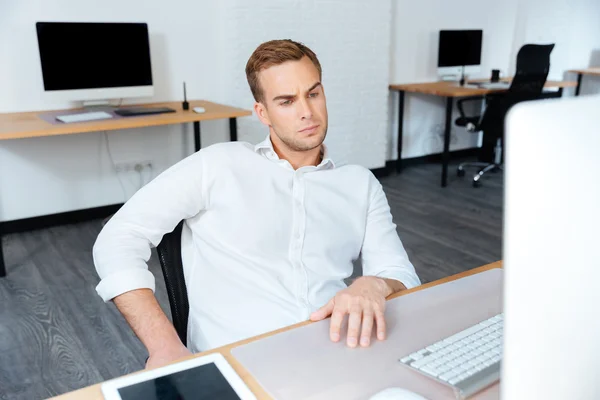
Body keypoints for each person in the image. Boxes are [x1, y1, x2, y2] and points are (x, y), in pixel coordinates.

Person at [93, 39, 420, 369]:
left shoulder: (359, 184)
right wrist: (164, 346)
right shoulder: (219, 165)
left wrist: (373, 283)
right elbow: (119, 236)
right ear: (262, 112)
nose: (307, 111)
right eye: (287, 101)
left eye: (313, 93)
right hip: (243, 364)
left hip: (337, 354)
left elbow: (401, 273)